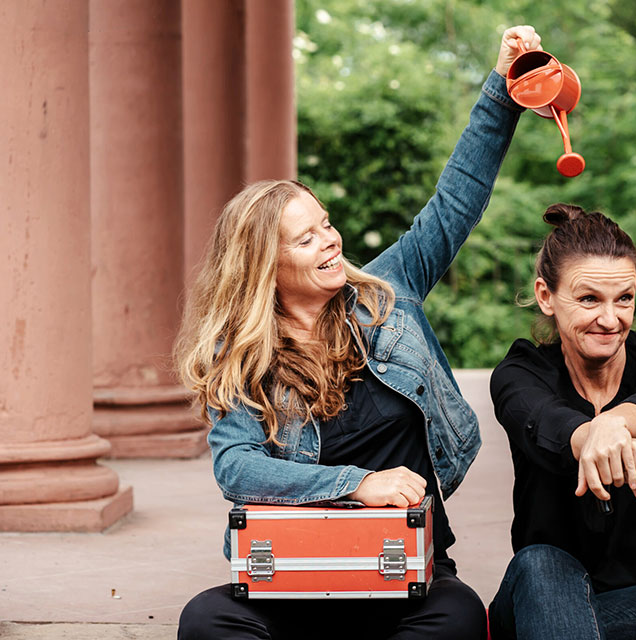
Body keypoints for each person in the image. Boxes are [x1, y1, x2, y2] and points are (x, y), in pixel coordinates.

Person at [173, 25, 540, 640]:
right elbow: (236, 467)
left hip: (405, 577)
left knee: (458, 621)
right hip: (293, 579)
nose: (331, 240)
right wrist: (358, 485)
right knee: (205, 621)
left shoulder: (387, 294)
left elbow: (455, 202)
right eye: (307, 237)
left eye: (326, 223)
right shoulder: (238, 356)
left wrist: (502, 88)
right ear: (266, 265)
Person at [487, 203, 636, 640]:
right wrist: (595, 435)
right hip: (546, 591)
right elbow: (542, 419)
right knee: (540, 565)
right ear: (546, 296)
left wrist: (614, 426)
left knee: (550, 623)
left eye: (624, 299)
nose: (610, 319)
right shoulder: (522, 373)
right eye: (588, 299)